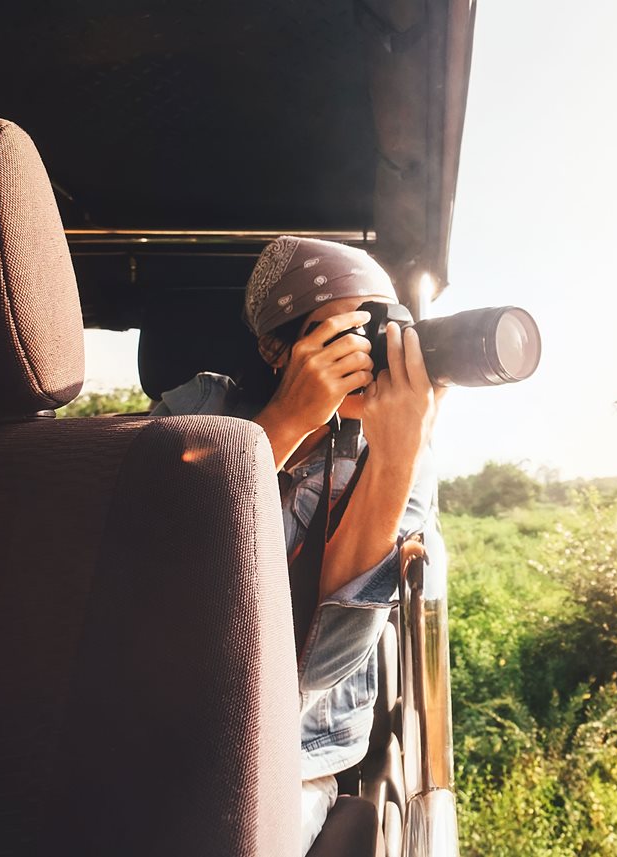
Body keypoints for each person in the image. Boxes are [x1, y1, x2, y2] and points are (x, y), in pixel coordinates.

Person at [150, 236, 445, 854]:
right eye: (352, 332)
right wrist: (286, 421)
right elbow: (163, 559)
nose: (377, 351)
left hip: (291, 756)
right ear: (275, 349)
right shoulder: (199, 412)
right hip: (158, 719)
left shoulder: (398, 449)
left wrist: (395, 458)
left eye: (393, 329)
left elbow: (316, 666)